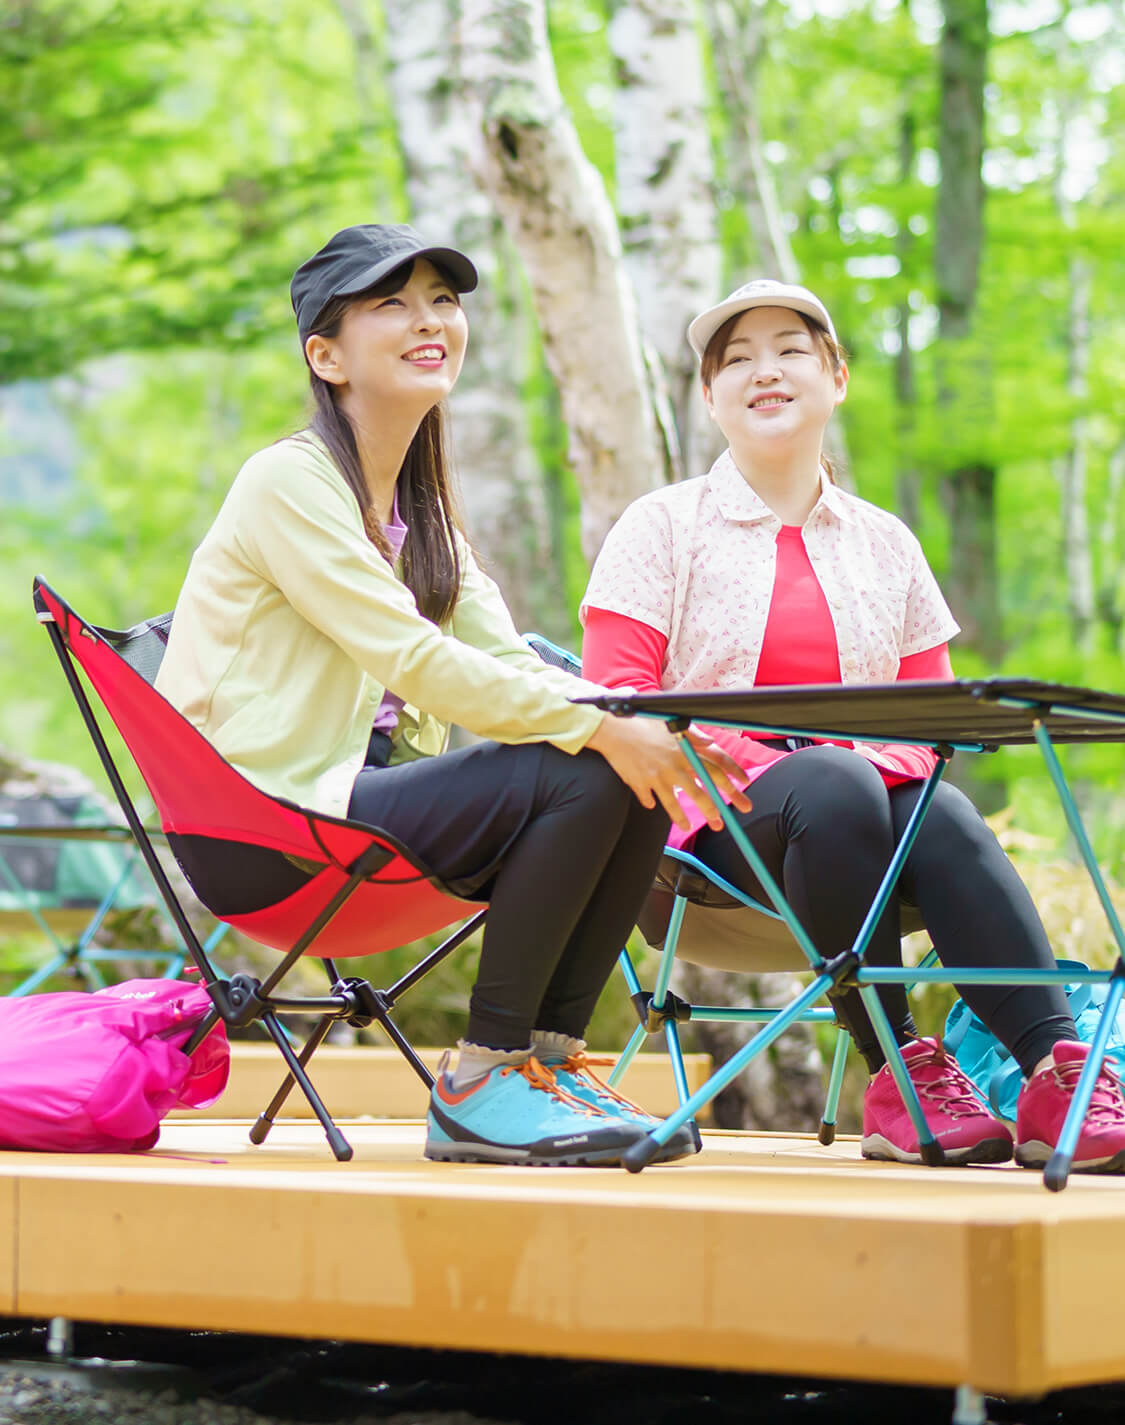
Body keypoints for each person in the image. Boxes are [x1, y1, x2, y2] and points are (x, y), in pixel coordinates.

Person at [153, 223, 749, 1168]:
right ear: (326, 355)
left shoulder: (419, 510)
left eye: (443, 299)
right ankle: (481, 1079)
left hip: (360, 809)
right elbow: (419, 660)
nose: (429, 320)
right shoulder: (287, 482)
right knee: (587, 767)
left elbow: (508, 659)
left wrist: (645, 726)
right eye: (390, 303)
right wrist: (601, 731)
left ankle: (544, 1067)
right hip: (263, 824)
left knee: (627, 766)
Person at [581, 277, 1125, 1173]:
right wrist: (789, 759)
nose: (765, 371)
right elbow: (617, 701)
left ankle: (1056, 1072)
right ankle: (901, 1071)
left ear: (835, 377)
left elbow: (932, 721)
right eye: (736, 360)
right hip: (700, 843)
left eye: (790, 351)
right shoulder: (661, 527)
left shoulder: (886, 544)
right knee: (834, 780)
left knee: (937, 806)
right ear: (709, 397)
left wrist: (858, 759)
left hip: (863, 836)